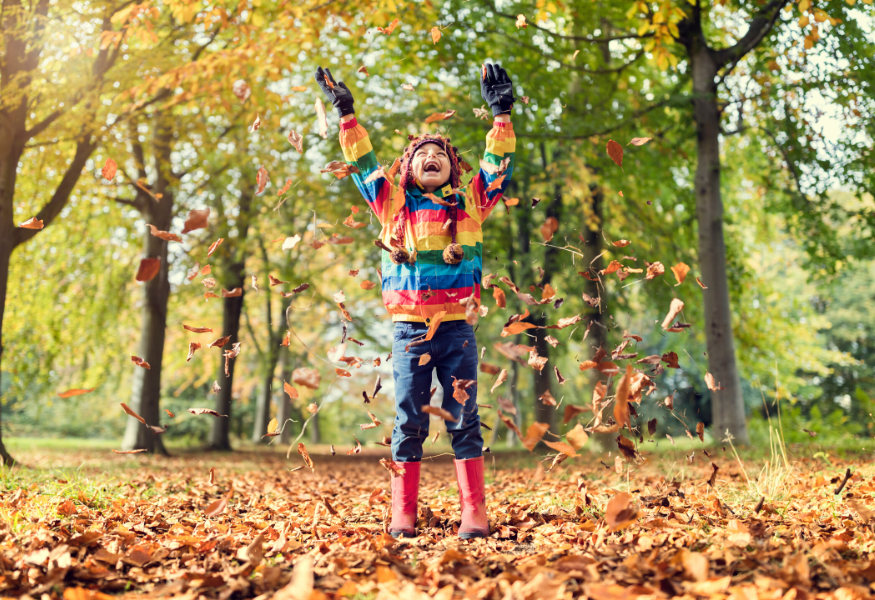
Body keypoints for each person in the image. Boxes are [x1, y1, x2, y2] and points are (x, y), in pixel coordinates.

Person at [315, 63, 516, 539]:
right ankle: (403, 512)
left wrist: (502, 116)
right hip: (409, 333)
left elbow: (496, 168)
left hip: (456, 332)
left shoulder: (470, 204)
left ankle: (474, 512)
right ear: (407, 168)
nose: (431, 156)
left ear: (452, 167)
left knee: (465, 417)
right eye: (421, 153)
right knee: (410, 419)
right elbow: (364, 165)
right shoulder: (391, 206)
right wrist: (347, 116)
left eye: (440, 153)